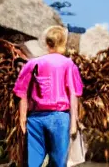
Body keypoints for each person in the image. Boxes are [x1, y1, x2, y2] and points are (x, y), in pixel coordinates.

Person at [13, 26, 83, 167]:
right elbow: (74, 94)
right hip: (60, 118)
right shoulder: (68, 65)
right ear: (63, 42)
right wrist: (74, 123)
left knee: (33, 162)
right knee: (58, 162)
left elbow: (22, 91)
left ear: (47, 42)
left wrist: (22, 117)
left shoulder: (33, 63)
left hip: (35, 118)